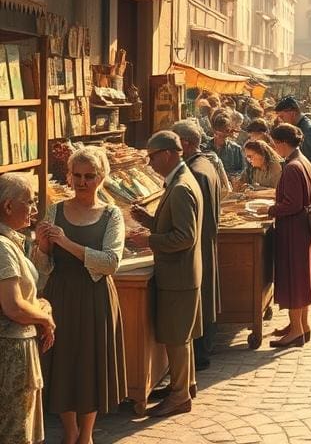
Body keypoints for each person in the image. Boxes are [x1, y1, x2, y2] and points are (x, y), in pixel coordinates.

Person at [32, 147, 126, 443]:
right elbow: (43, 266)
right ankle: (70, 430)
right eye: (77, 175)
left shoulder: (111, 214)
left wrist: (67, 242)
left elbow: (110, 262)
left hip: (94, 295)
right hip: (60, 293)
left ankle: (86, 434)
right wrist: (44, 247)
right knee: (62, 360)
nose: (82, 182)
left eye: (89, 176)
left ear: (101, 178)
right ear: (69, 177)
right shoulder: (55, 210)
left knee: (90, 361)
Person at [131, 131, 203, 417]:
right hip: (180, 274)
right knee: (180, 337)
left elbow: (185, 236)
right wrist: (149, 221)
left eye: (152, 157)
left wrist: (149, 240)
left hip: (179, 275)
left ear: (168, 154)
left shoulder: (181, 187)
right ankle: (185, 384)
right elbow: (176, 225)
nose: (149, 163)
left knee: (176, 338)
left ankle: (180, 395)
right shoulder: (180, 181)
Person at [0, 174, 54, 444]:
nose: (34, 209)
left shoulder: (12, 242)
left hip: (19, 344)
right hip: (11, 348)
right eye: (29, 202)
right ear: (8, 207)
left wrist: (42, 307)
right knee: (15, 429)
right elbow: (13, 306)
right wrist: (45, 318)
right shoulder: (2, 246)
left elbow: (27, 292)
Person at [171, 120, 222, 372]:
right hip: (203, 241)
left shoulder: (196, 172)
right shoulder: (204, 165)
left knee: (199, 300)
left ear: (186, 144)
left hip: (196, 245)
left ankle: (199, 355)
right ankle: (202, 351)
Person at [267, 123, 311, 348]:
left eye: (274, 144)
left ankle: (296, 330)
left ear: (281, 143)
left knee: (294, 279)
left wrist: (270, 209)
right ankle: (301, 325)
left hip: (293, 230)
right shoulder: (303, 161)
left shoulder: (291, 167)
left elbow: (292, 204)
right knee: (302, 278)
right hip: (303, 229)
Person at [275, 96, 311, 181]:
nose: (281, 120)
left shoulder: (309, 131)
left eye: (282, 116)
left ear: (292, 113)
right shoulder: (300, 129)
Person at [208, 112, 245, 180]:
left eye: (227, 131)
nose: (224, 134)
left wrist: (229, 176)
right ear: (214, 131)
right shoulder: (205, 148)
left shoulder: (236, 149)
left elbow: (242, 171)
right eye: (220, 132)